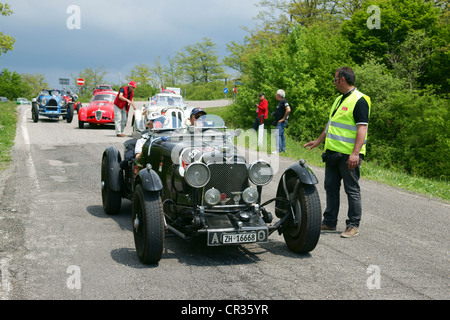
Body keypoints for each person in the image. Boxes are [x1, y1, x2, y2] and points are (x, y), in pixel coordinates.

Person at [303, 67, 371, 238]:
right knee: (331, 188)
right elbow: (330, 124)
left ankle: (353, 225)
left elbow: (362, 128)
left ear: (342, 79)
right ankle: (329, 222)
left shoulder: (360, 100)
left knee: (351, 190)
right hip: (332, 154)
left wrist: (355, 153)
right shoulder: (339, 100)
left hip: (349, 156)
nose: (333, 83)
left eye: (335, 79)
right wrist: (318, 141)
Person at [273, 89, 290, 153]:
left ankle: (278, 149)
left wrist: (283, 118)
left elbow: (288, 110)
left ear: (278, 95)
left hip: (281, 122)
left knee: (277, 134)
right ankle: (282, 149)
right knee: (281, 135)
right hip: (279, 121)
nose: (276, 95)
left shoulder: (284, 101)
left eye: (276, 94)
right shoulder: (281, 102)